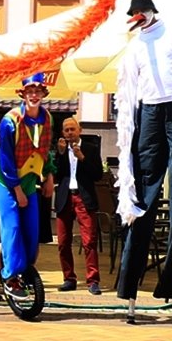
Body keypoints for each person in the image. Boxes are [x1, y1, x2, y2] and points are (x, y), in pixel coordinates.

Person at [112, 0, 172, 315]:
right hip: (150, 112)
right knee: (142, 196)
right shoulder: (135, 47)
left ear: (152, 12)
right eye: (135, 14)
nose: (139, 18)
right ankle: (129, 285)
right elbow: (127, 91)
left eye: (142, 12)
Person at [0, 74, 56, 297]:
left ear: (44, 94)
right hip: (4, 179)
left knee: (32, 229)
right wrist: (17, 190)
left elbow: (45, 149)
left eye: (38, 91)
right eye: (30, 91)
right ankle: (10, 276)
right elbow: (5, 159)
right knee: (13, 226)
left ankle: (25, 268)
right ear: (23, 94)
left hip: (28, 178)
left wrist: (49, 175)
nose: (34, 95)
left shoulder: (47, 118)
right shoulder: (9, 121)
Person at [53, 116, 103, 295]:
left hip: (84, 198)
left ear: (79, 130)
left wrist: (82, 158)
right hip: (65, 197)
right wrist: (60, 155)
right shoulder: (60, 149)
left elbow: (98, 174)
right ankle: (69, 278)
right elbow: (56, 175)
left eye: (72, 129)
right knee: (63, 242)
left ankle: (93, 280)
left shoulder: (90, 149)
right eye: (66, 130)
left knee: (89, 241)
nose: (69, 133)